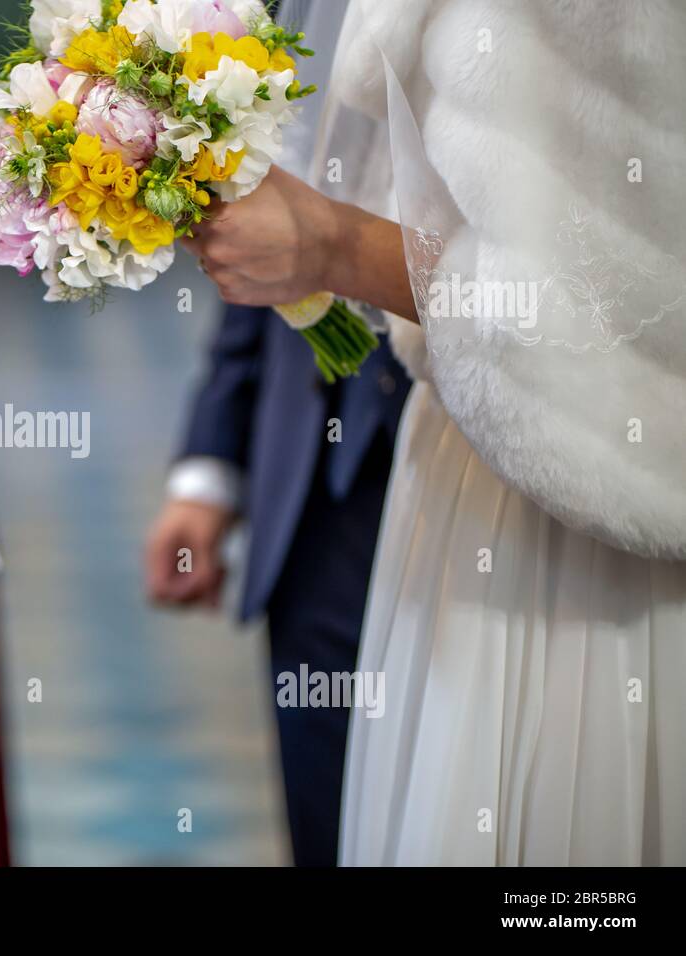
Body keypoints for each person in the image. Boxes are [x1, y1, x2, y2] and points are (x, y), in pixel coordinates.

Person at [182, 0, 686, 864]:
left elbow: (628, 303)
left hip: (577, 505)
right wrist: (208, 460)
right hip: (426, 489)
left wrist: (334, 246)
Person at [145, 0, 409, 868]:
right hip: (311, 485)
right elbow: (258, 190)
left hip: (489, 485)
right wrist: (211, 467)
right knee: (325, 818)